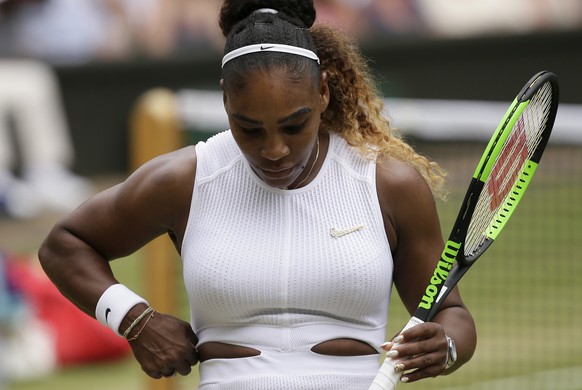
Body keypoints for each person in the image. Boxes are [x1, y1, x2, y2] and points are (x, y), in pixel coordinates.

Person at [38, 1, 477, 388]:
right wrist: (134, 319)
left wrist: (447, 345)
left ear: (322, 93)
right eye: (249, 129)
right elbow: (65, 245)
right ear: (226, 100)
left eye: (294, 125)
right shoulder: (185, 180)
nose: (274, 151)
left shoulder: (388, 185)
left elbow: (452, 315)